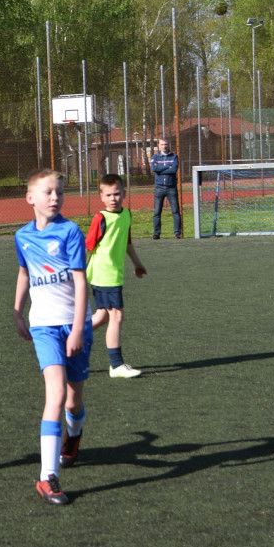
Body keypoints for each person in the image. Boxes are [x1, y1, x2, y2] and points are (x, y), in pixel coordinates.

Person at [12, 169, 92, 506]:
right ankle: (47, 477)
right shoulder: (22, 237)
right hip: (44, 326)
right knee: (56, 394)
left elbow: (80, 282)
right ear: (30, 198)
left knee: (73, 400)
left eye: (59, 192)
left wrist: (78, 329)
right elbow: (24, 272)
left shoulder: (70, 231)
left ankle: (74, 434)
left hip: (74, 325)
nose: (55, 197)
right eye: (48, 192)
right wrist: (17, 310)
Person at [86, 174, 148, 379]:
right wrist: (76, 275)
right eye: (108, 195)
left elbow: (127, 243)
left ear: (124, 193)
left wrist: (137, 264)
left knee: (103, 316)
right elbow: (87, 247)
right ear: (101, 197)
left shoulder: (126, 215)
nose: (113, 198)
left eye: (117, 194)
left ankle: (69, 339)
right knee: (117, 316)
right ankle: (116, 364)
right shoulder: (100, 218)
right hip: (104, 274)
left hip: (115, 274)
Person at [150, 138, 182, 239]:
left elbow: (174, 170)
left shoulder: (174, 156)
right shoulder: (155, 157)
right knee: (157, 212)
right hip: (159, 188)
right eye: (162, 144)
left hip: (171, 188)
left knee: (175, 211)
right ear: (159, 146)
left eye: (166, 144)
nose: (164, 146)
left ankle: (177, 233)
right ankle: (156, 233)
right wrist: (167, 166)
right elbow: (154, 169)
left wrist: (161, 170)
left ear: (168, 145)